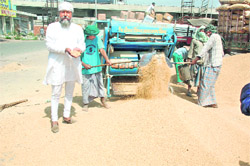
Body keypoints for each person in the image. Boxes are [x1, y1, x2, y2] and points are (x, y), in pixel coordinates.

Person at [43, 2, 86, 133]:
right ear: (59, 14)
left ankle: (66, 116)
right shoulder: (52, 27)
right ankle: (54, 120)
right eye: (63, 12)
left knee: (69, 91)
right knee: (56, 92)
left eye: (68, 12)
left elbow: (82, 44)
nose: (65, 15)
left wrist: (79, 49)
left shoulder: (78, 29)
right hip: (57, 63)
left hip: (72, 64)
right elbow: (49, 46)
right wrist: (65, 49)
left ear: (71, 14)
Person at [191, 24, 224, 108]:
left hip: (213, 65)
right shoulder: (218, 37)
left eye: (206, 33)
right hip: (218, 64)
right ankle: (212, 102)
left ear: (209, 32)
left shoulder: (213, 37)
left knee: (205, 83)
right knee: (210, 84)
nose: (206, 35)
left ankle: (201, 102)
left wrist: (196, 59)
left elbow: (205, 48)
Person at [81, 25, 112, 112]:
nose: (94, 36)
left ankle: (103, 101)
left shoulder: (97, 39)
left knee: (100, 85)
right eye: (93, 35)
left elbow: (101, 50)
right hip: (85, 69)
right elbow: (76, 55)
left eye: (95, 34)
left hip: (97, 67)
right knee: (85, 86)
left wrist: (107, 60)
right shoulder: (81, 40)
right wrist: (83, 64)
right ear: (87, 34)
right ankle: (85, 103)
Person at [186, 25, 209, 97]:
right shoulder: (194, 40)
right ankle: (189, 90)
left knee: (201, 78)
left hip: (203, 63)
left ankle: (198, 91)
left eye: (203, 31)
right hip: (194, 62)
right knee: (191, 76)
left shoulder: (207, 41)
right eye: (201, 31)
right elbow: (191, 51)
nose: (202, 32)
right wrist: (189, 59)